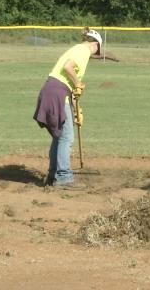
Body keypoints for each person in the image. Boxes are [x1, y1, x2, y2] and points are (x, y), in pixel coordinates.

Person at [33, 27, 103, 189]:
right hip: (57, 92)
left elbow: (68, 81)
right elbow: (68, 67)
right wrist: (78, 83)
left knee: (59, 136)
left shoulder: (76, 49)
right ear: (96, 45)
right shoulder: (83, 51)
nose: (95, 53)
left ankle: (52, 175)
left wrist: (76, 108)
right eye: (97, 50)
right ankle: (63, 177)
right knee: (66, 137)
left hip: (53, 90)